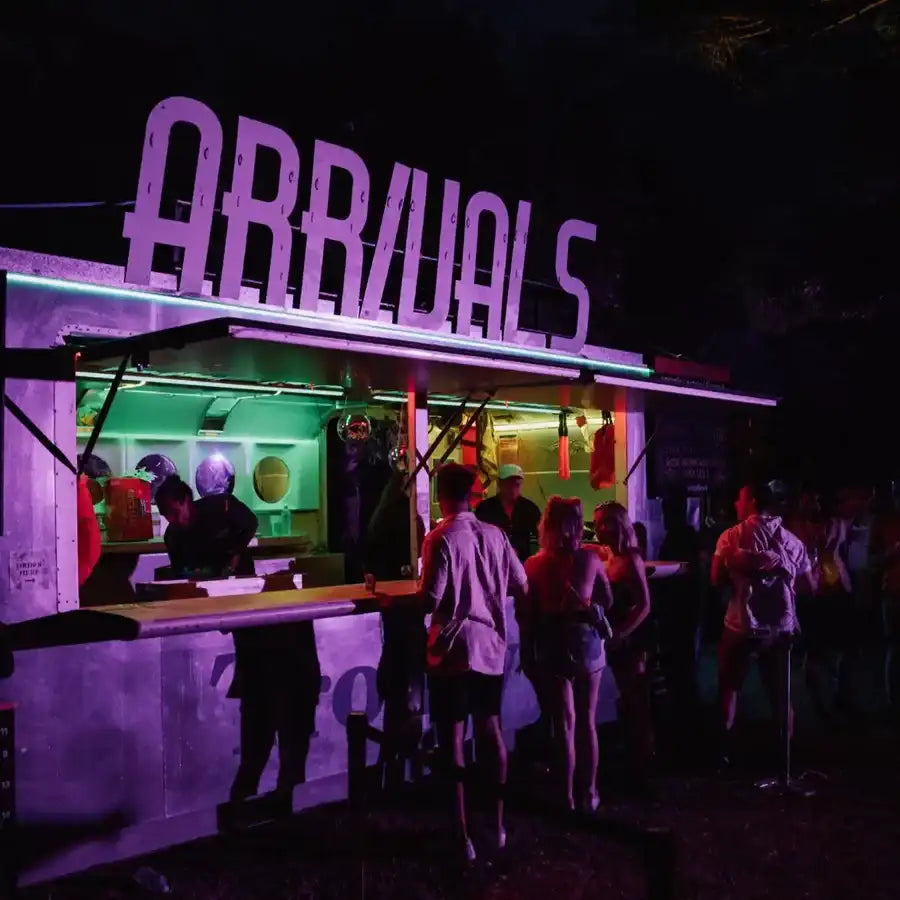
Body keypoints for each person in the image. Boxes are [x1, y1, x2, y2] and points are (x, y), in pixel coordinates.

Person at [155, 475, 320, 803]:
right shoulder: (174, 537)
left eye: (175, 511)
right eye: (167, 515)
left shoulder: (220, 507)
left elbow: (250, 522)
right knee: (262, 733)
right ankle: (254, 804)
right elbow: (181, 578)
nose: (173, 520)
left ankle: (278, 802)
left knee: (281, 736)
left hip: (250, 612)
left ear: (187, 500)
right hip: (237, 626)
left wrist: (232, 560)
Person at [420, 463, 527, 861]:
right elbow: (521, 582)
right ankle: (497, 826)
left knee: (453, 742)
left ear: (442, 494)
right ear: (474, 495)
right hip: (491, 648)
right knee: (490, 731)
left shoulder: (441, 538)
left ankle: (461, 835)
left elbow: (431, 600)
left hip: (452, 650)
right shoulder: (496, 535)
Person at [711, 482, 816, 765]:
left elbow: (715, 578)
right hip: (781, 627)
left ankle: (723, 753)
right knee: (780, 693)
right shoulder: (793, 541)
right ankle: (784, 756)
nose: (735, 503)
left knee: (729, 687)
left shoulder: (731, 536)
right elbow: (808, 586)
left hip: (742, 625)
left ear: (752, 502)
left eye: (739, 498)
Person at [522, 497, 613, 812]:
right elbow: (608, 599)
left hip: (552, 642)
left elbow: (528, 615)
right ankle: (590, 792)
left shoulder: (533, 565)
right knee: (588, 721)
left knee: (564, 725)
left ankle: (566, 797)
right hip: (586, 642)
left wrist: (526, 651)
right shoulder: (591, 560)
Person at [364, 471, 426, 789]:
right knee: (412, 694)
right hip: (410, 614)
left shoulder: (378, 520)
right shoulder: (412, 521)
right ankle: (407, 768)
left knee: (393, 692)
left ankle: (388, 765)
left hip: (390, 614)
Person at [591, 502, 655, 793]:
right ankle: (633, 765)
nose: (597, 528)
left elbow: (644, 604)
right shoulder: (609, 557)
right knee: (627, 701)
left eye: (602, 523)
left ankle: (642, 772)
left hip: (632, 639)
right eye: (596, 522)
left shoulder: (630, 559)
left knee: (636, 702)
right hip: (618, 637)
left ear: (617, 525)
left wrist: (622, 632)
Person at [475, 464, 541, 563]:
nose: (513, 489)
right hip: (493, 563)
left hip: (522, 565)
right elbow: (477, 538)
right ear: (500, 484)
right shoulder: (485, 508)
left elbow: (541, 536)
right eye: (509, 484)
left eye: (517, 485)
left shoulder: (529, 508)